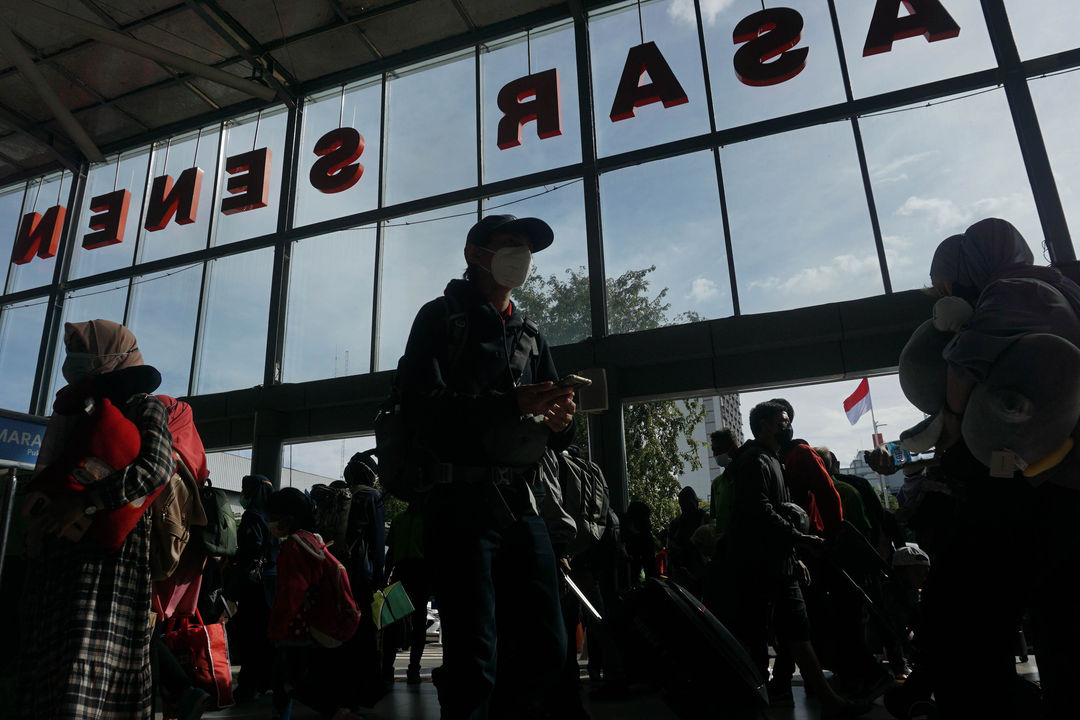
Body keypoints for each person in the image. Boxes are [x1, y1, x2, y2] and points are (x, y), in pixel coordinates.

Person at [395, 214, 576, 719]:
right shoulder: (441, 318)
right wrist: (509, 404)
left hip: (522, 503)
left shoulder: (532, 334)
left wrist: (563, 423)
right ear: (476, 254)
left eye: (528, 247)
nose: (522, 254)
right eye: (510, 244)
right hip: (458, 503)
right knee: (475, 655)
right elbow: (423, 410)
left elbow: (557, 434)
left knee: (548, 645)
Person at [917, 218, 1080, 718]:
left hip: (1036, 486)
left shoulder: (1011, 290)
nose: (945, 292)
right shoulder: (1063, 287)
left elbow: (967, 362)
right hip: (1064, 479)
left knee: (990, 608)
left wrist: (950, 420)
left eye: (947, 281)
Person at [18, 319, 176, 719]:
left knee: (87, 666)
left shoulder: (143, 405)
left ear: (113, 356)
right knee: (53, 665)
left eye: (83, 351)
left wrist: (86, 504)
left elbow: (156, 469)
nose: (73, 361)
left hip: (108, 568)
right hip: (60, 562)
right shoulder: (72, 408)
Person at [723, 401, 868, 718]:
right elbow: (758, 509)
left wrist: (794, 551)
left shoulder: (772, 460)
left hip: (779, 561)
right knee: (763, 634)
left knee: (797, 629)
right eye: (781, 421)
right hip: (760, 564)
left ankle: (826, 697)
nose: (787, 426)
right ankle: (763, 701)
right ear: (763, 425)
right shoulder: (756, 461)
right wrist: (798, 538)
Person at [265, 488, 362, 720]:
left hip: (293, 626)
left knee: (292, 683)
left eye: (274, 516)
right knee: (285, 682)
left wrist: (277, 628)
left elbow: (293, 592)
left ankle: (339, 714)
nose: (271, 522)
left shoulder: (293, 547)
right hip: (309, 623)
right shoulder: (312, 540)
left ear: (288, 518)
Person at [229, 474, 279, 702]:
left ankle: (247, 687)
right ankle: (266, 682)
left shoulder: (252, 516)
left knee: (250, 637)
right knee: (267, 637)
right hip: (272, 583)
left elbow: (251, 548)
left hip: (254, 586)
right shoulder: (274, 516)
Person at [708, 428, 738, 534]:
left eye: (719, 449)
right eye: (714, 450)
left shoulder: (746, 475)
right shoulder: (716, 484)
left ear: (733, 448)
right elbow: (713, 518)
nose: (716, 454)